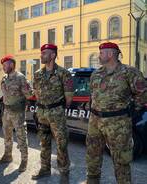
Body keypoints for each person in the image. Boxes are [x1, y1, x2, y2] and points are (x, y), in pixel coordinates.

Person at [85, 42, 147, 184]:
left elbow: (142, 94)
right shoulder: (96, 74)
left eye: (101, 53)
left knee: (121, 161)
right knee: (92, 157)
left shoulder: (129, 72)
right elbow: (93, 95)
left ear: (111, 54)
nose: (99, 55)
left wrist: (130, 111)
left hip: (118, 123)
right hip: (95, 122)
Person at [32, 44, 73, 183]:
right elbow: (36, 93)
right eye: (41, 52)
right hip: (42, 112)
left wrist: (57, 108)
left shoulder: (63, 73)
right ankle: (45, 169)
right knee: (44, 142)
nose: (41, 55)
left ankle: (64, 172)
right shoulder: (38, 74)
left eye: (45, 53)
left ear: (53, 55)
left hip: (57, 114)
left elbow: (69, 98)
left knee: (61, 143)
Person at [0, 55, 33, 172]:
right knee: (7, 135)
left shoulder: (21, 78)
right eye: (3, 65)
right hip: (6, 112)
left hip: (18, 113)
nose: (3, 67)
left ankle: (24, 160)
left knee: (21, 136)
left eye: (5, 65)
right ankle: (7, 156)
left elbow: (29, 94)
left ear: (12, 64)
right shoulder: (4, 78)